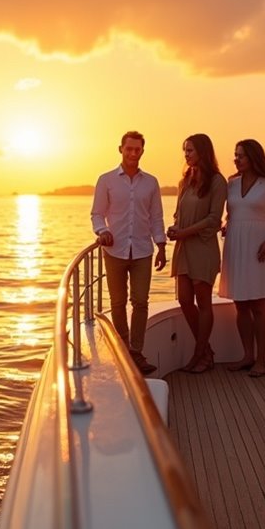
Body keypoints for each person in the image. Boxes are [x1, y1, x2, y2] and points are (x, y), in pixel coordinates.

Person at [91, 130, 168, 375]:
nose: (133, 153)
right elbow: (96, 213)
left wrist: (162, 245)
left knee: (141, 301)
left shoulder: (151, 182)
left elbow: (156, 217)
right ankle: (123, 349)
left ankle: (136, 352)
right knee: (117, 302)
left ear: (142, 151)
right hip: (115, 249)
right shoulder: (106, 180)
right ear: (121, 149)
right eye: (129, 149)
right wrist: (102, 230)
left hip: (143, 250)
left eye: (137, 149)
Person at [218, 139, 265, 378]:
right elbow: (232, 212)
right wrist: (228, 225)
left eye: (241, 155)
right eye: (235, 155)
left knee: (258, 304)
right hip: (235, 244)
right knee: (240, 303)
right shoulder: (231, 183)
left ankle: (261, 360)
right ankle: (247, 355)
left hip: (260, 245)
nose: (236, 159)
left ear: (253, 157)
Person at [167, 133, 228, 374]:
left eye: (190, 150)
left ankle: (198, 354)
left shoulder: (217, 181)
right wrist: (175, 228)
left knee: (203, 302)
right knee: (184, 299)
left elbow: (214, 219)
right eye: (184, 150)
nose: (186, 155)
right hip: (183, 248)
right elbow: (177, 213)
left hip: (203, 247)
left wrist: (185, 232)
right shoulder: (185, 180)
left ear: (202, 152)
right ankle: (206, 352)